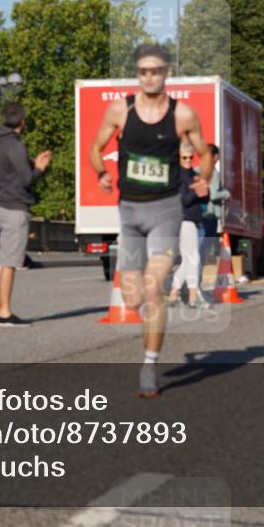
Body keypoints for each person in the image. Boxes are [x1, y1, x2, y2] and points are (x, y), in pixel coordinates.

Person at [89, 43, 210, 398]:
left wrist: (204, 177)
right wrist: (100, 174)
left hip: (166, 211)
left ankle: (149, 365)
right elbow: (96, 148)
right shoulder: (120, 110)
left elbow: (205, 153)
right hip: (128, 212)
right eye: (143, 71)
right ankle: (146, 325)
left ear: (167, 72)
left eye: (156, 70)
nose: (149, 76)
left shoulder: (182, 115)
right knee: (131, 298)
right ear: (137, 74)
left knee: (154, 287)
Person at [0, 102, 51, 326]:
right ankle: (4, 312)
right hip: (16, 208)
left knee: (2, 261)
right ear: (22, 121)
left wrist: (33, 164)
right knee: (10, 262)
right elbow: (27, 179)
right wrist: (40, 167)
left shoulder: (0, 143)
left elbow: (15, 173)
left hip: (2, 205)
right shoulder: (16, 146)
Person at [167, 143, 210, 309]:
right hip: (183, 219)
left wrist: (205, 191)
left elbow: (203, 199)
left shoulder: (193, 174)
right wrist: (197, 190)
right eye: (184, 157)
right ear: (178, 158)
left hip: (193, 218)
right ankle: (193, 297)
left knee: (188, 259)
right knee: (193, 257)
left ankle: (173, 293)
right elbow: (184, 200)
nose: (188, 160)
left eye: (190, 157)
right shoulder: (177, 175)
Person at [198, 143, 230, 268]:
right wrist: (226, 194)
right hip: (209, 215)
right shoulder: (214, 173)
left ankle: (191, 283)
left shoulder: (196, 170)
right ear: (215, 156)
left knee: (195, 250)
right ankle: (195, 284)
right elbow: (213, 195)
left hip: (196, 215)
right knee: (204, 250)